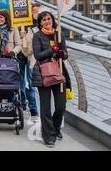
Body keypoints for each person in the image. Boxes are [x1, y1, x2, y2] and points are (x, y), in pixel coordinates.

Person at [31, 10, 71, 148]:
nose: (47, 21)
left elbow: (65, 55)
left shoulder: (59, 35)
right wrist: (53, 50)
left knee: (61, 106)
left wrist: (62, 53)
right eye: (44, 20)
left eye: (49, 19)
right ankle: (49, 136)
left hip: (59, 73)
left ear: (53, 20)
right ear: (40, 23)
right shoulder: (37, 36)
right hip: (44, 75)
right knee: (46, 107)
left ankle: (55, 128)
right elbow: (38, 55)